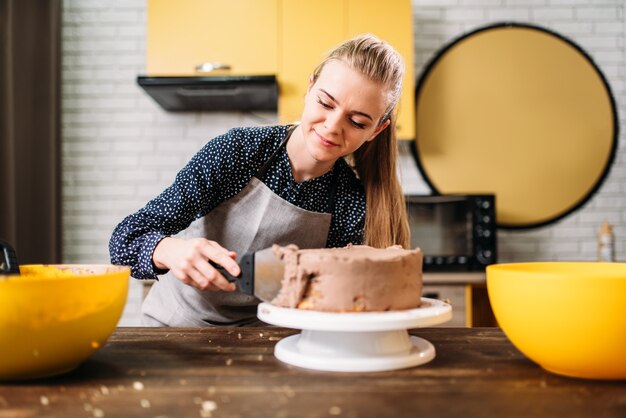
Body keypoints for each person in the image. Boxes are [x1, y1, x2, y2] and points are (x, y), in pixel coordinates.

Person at [109, 34, 410, 326]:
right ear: (309, 87)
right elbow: (125, 240)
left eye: (357, 122)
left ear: (376, 131)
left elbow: (323, 297)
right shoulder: (238, 152)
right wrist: (168, 250)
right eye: (326, 103)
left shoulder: (349, 200)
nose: (332, 127)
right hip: (178, 327)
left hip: (267, 341)